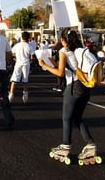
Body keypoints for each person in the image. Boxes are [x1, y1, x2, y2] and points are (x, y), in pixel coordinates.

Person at [38, 29, 98, 162]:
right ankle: (90, 144)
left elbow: (60, 73)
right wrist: (53, 62)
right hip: (86, 86)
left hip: (73, 88)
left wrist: (44, 65)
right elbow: (67, 68)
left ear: (63, 40)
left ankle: (65, 146)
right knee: (77, 118)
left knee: (66, 118)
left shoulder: (63, 51)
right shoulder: (81, 50)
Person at [8, 31, 32, 104]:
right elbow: (32, 56)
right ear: (29, 38)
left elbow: (12, 53)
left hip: (18, 63)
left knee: (14, 79)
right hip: (26, 63)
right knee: (25, 79)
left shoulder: (17, 45)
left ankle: (11, 95)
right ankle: (25, 96)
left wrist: (17, 56)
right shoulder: (29, 46)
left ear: (22, 37)